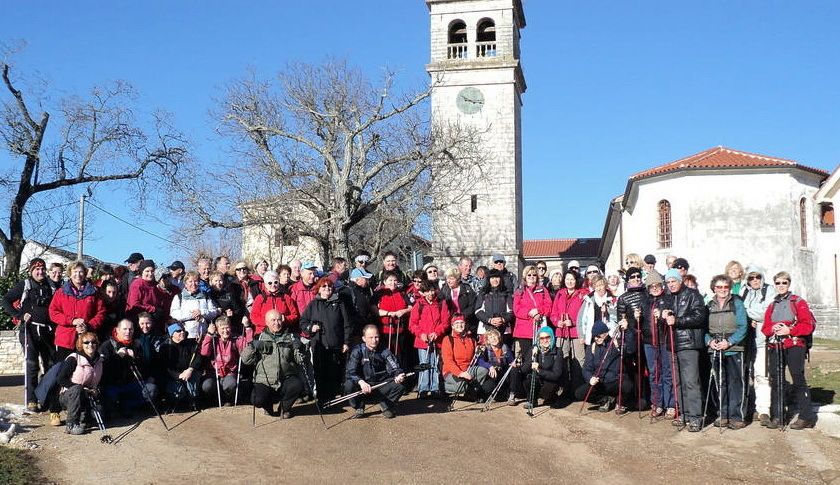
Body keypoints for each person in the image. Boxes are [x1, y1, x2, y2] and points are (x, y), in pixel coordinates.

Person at [761, 271, 816, 430]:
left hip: (794, 345)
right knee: (776, 380)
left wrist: (789, 330)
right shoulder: (772, 305)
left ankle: (806, 416)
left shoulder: (798, 302)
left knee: (797, 378)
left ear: (789, 284)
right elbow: (765, 328)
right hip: (775, 346)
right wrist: (773, 328)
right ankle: (777, 416)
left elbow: (807, 325)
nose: (781, 286)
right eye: (777, 283)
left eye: (784, 283)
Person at [1, 258, 55, 411]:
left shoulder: (50, 285)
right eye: (37, 269)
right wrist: (19, 315)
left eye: (43, 269)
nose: (40, 272)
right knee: (32, 366)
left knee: (50, 365)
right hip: (29, 331)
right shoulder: (25, 285)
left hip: (47, 331)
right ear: (31, 271)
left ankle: (45, 396)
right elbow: (5, 300)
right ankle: (32, 400)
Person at [663, 268, 708, 432]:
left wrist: (677, 320)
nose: (671, 285)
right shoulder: (667, 298)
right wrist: (662, 316)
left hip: (688, 343)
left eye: (673, 281)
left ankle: (696, 416)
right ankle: (684, 413)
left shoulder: (693, 295)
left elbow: (700, 316)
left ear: (679, 281)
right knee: (678, 381)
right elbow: (666, 318)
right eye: (668, 282)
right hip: (672, 344)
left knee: (690, 381)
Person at [241, 309, 306, 418]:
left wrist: (301, 348)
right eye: (273, 320)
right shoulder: (259, 337)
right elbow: (246, 360)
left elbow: (300, 360)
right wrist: (252, 346)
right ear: (266, 322)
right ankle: (268, 407)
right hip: (265, 379)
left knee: (297, 385)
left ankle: (284, 408)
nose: (277, 323)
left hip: (286, 377)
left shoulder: (290, 337)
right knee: (257, 399)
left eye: (279, 320)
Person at [705, 274, 749, 429]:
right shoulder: (709, 304)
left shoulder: (737, 302)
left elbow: (743, 326)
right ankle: (723, 414)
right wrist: (709, 341)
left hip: (734, 348)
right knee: (720, 382)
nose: (722, 290)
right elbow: (704, 329)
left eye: (725, 287)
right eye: (719, 287)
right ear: (714, 288)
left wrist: (729, 342)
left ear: (729, 288)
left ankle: (737, 416)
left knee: (736, 382)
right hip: (715, 349)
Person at [300, 277, 352, 405]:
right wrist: (311, 328)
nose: (327, 289)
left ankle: (333, 398)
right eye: (324, 287)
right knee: (320, 372)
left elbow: (347, 324)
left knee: (334, 372)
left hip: (336, 344)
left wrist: (346, 342)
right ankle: (322, 399)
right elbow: (303, 322)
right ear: (319, 289)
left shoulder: (340, 303)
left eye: (329, 287)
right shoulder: (313, 304)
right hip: (319, 345)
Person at [344, 324, 406, 418]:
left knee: (400, 385)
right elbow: (350, 372)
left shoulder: (384, 350)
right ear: (364, 338)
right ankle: (359, 407)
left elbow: (395, 367)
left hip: (380, 385)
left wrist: (399, 375)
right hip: (363, 387)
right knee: (349, 384)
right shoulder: (357, 351)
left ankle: (385, 405)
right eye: (371, 337)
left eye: (376, 337)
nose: (374, 340)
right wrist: (361, 382)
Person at [48, 261, 105, 362]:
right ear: (70, 273)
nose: (78, 275)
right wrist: (72, 321)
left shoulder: (94, 292)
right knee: (64, 372)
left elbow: (101, 313)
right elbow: (53, 312)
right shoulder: (61, 292)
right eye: (75, 271)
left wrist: (87, 326)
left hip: (87, 340)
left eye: (81, 272)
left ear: (85, 273)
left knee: (87, 371)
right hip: (65, 340)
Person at [741, 264, 775, 425]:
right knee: (747, 375)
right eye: (751, 278)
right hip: (747, 340)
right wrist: (749, 316)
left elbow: (766, 312)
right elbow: (739, 310)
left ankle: (764, 410)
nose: (755, 280)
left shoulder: (769, 290)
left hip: (763, 340)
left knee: (762, 375)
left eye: (757, 277)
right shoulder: (745, 292)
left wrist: (748, 313)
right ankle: (749, 408)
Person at [576, 321, 632, 413]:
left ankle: (620, 402)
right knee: (579, 393)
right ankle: (605, 400)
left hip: (615, 381)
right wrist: (590, 378)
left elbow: (630, 349)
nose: (596, 338)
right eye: (594, 336)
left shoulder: (615, 343)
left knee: (627, 385)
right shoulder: (592, 347)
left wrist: (627, 331)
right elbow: (586, 368)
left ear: (605, 334)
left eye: (598, 336)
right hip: (600, 382)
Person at [640, 271, 675, 418]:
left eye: (657, 285)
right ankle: (657, 402)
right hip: (649, 342)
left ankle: (671, 404)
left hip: (664, 340)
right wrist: (637, 318)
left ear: (662, 286)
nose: (655, 288)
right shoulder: (645, 301)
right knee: (654, 373)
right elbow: (640, 324)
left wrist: (663, 315)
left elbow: (672, 315)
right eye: (652, 286)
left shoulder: (668, 299)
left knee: (667, 372)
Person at [56, 332, 103, 435]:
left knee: (99, 415)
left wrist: (96, 390)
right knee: (77, 389)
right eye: (86, 342)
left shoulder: (100, 360)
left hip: (88, 396)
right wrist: (80, 388)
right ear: (81, 344)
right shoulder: (74, 358)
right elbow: (60, 378)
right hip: (69, 395)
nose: (90, 345)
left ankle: (84, 418)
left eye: (93, 342)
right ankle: (71, 424)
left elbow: (101, 381)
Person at [200, 315, 254, 406]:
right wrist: (209, 334)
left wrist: (248, 327)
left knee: (231, 384)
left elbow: (250, 346)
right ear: (217, 330)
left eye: (227, 328)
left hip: (230, 373)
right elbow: (204, 352)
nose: (225, 331)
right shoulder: (213, 340)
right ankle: (215, 400)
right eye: (222, 328)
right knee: (207, 386)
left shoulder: (235, 339)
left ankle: (228, 399)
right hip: (214, 373)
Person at [409, 281, 450, 398]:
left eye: (432, 290)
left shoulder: (441, 304)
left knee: (436, 364)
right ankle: (423, 387)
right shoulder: (418, 305)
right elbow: (412, 324)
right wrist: (421, 334)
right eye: (427, 291)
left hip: (437, 340)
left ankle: (435, 388)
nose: (430, 293)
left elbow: (445, 322)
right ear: (423, 292)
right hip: (422, 341)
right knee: (424, 364)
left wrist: (437, 333)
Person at [512, 266, 552, 383]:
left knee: (539, 357)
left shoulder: (543, 290)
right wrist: (529, 313)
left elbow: (548, 306)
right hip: (524, 330)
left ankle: (537, 383)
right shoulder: (519, 291)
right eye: (529, 275)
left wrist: (539, 311)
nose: (531, 277)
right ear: (525, 276)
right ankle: (525, 383)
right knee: (528, 358)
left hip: (539, 329)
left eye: (534, 275)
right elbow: (516, 309)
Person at [99, 319, 146, 416]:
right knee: (109, 405)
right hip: (111, 384)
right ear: (117, 330)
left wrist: (135, 358)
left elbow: (144, 368)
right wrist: (118, 356)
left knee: (148, 392)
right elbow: (102, 368)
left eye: (130, 329)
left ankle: (126, 405)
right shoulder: (107, 345)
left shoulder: (136, 345)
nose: (128, 332)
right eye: (124, 329)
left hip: (129, 383)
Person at [550, 269, 586, 393]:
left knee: (578, 360)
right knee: (562, 360)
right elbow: (553, 313)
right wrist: (556, 321)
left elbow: (585, 314)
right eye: (567, 279)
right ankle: (564, 388)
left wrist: (574, 322)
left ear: (576, 280)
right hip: (562, 332)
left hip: (576, 333)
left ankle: (578, 388)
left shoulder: (582, 294)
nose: (569, 282)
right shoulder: (560, 294)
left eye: (572, 279)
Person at [442, 315, 486, 400]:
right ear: (452, 326)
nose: (460, 325)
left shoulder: (471, 340)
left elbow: (476, 357)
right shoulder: (448, 339)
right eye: (457, 323)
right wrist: (460, 373)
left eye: (462, 322)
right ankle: (442, 387)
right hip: (452, 372)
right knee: (462, 387)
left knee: (483, 371)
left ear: (465, 324)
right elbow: (448, 361)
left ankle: (469, 391)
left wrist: (480, 350)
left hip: (468, 369)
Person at [371, 271, 412, 358]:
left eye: (395, 280)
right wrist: (388, 313)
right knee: (387, 354)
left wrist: (403, 311)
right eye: (390, 280)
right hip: (385, 330)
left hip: (400, 329)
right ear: (385, 281)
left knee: (401, 355)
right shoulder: (379, 293)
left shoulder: (402, 293)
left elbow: (411, 307)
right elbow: (373, 308)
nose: (393, 283)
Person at [523, 325, 564, 409]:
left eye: (547, 337)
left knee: (548, 390)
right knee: (528, 380)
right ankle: (532, 400)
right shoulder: (533, 350)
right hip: (537, 380)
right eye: (541, 338)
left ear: (552, 337)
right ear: (538, 339)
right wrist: (532, 357)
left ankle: (552, 397)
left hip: (550, 381)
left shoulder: (558, 351)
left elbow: (556, 375)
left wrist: (539, 370)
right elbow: (524, 370)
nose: (545, 340)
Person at [163, 323, 202, 409]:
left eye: (183, 330)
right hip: (173, 376)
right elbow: (164, 365)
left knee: (193, 379)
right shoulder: (166, 347)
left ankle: (193, 400)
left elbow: (197, 358)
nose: (182, 332)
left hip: (189, 374)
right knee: (179, 391)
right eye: (178, 331)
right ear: (172, 334)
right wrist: (177, 375)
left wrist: (190, 370)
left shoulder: (191, 343)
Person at [170, 271, 219, 339]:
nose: (193, 284)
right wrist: (192, 314)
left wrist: (202, 312)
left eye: (196, 281)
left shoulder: (205, 296)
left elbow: (214, 312)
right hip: (185, 336)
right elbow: (174, 314)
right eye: (190, 281)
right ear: (185, 283)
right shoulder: (179, 297)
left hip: (204, 335)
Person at [250, 270, 299, 335]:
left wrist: (285, 319)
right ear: (265, 284)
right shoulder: (260, 298)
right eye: (270, 283)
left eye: (275, 282)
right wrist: (269, 323)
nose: (273, 285)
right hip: (264, 331)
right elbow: (253, 317)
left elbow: (295, 314)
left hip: (283, 331)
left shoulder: (286, 297)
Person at [125, 260, 170, 329]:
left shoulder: (154, 285)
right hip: (138, 320)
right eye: (147, 271)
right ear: (142, 272)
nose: (150, 273)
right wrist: (153, 309)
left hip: (152, 320)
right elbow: (134, 304)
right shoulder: (137, 284)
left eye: (152, 271)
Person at [477, 328, 517, 405]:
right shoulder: (485, 349)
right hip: (492, 373)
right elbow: (479, 361)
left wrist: (513, 363)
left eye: (495, 336)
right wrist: (489, 366)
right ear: (488, 341)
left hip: (503, 372)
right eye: (491, 337)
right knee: (487, 387)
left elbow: (511, 360)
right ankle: (489, 395)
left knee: (514, 370)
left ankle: (512, 395)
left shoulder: (504, 347)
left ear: (499, 337)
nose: (494, 339)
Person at [475, 269, 514, 339]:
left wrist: (503, 319)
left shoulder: (506, 293)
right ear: (489, 280)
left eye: (497, 277)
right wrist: (489, 320)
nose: (495, 280)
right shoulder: (483, 293)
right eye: (492, 278)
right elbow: (478, 310)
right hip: (485, 329)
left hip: (504, 330)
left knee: (503, 349)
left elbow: (511, 311)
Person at [440, 268, 478, 335]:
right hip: (451, 323)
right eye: (447, 278)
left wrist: (461, 316)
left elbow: (473, 305)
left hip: (466, 322)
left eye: (451, 278)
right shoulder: (445, 289)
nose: (448, 281)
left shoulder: (467, 289)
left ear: (458, 279)